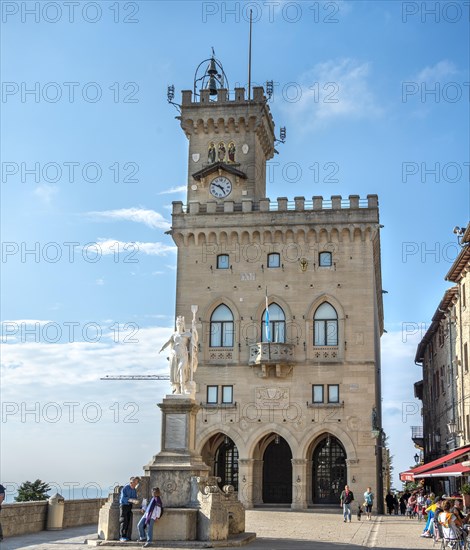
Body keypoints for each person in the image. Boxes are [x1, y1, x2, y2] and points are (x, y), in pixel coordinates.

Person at [160, 316, 193, 394]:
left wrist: (194, 330)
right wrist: (162, 348)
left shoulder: (187, 334)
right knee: (175, 373)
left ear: (183, 324)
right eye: (178, 323)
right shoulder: (174, 335)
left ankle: (182, 390)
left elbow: (194, 341)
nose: (179, 324)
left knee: (181, 371)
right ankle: (177, 389)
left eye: (181, 323)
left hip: (183, 355)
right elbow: (168, 342)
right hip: (174, 356)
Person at [119, 476, 140, 542]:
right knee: (123, 520)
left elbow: (134, 497)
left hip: (130, 506)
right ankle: (122, 536)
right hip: (124, 506)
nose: (136, 485)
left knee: (128, 521)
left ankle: (126, 536)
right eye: (135, 483)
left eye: (136, 484)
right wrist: (131, 500)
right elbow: (123, 499)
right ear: (131, 483)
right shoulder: (125, 488)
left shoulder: (134, 489)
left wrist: (135, 501)